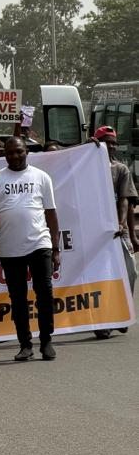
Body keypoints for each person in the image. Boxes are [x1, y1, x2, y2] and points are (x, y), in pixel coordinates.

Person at [0, 136, 60, 361]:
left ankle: (46, 340)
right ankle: (25, 344)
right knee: (17, 297)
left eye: (19, 151)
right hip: (9, 248)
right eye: (10, 153)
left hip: (40, 244)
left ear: (27, 151)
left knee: (44, 292)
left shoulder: (41, 177)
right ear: (4, 155)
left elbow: (51, 214)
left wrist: (56, 248)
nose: (15, 156)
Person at [90, 125, 137, 337]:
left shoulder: (120, 169)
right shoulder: (85, 167)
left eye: (113, 143)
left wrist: (122, 224)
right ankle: (104, 322)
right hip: (94, 230)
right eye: (106, 142)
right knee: (100, 276)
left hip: (118, 229)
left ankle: (122, 312)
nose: (111, 147)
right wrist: (84, 148)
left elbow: (125, 200)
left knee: (130, 271)